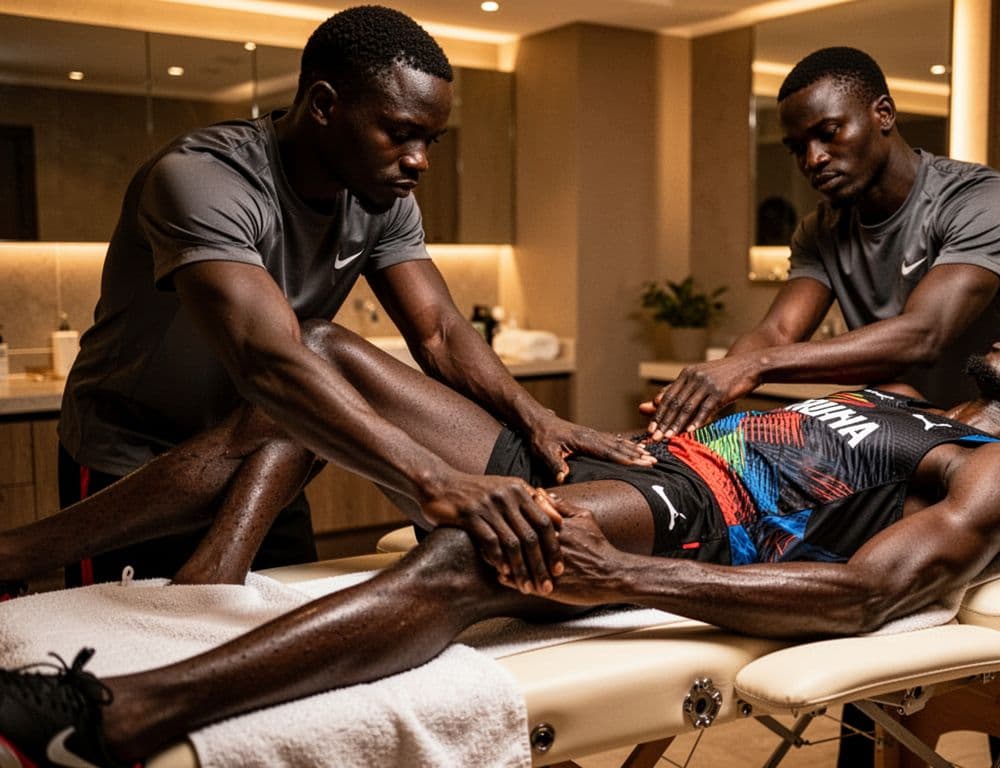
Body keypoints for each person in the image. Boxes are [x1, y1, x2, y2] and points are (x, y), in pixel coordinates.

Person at [0, 317, 1000, 767]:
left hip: (678, 521)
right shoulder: (909, 406)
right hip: (625, 470)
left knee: (475, 556)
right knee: (315, 361)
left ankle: (119, 718)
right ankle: (46, 567)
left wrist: (620, 573)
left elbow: (863, 596)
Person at [57, 5, 648, 589]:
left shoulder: (382, 198)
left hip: (266, 449)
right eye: (400, 133)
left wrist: (538, 417)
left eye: (431, 139)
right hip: (135, 460)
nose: (419, 160)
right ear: (323, 105)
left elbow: (439, 332)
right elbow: (271, 362)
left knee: (269, 617)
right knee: (130, 633)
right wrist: (435, 479)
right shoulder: (205, 178)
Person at [647, 46, 1000, 440]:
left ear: (883, 113)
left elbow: (924, 334)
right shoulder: (820, 230)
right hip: (905, 433)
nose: (813, 159)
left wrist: (754, 366)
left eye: (829, 133)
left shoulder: (981, 198)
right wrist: (705, 395)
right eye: (797, 148)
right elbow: (777, 332)